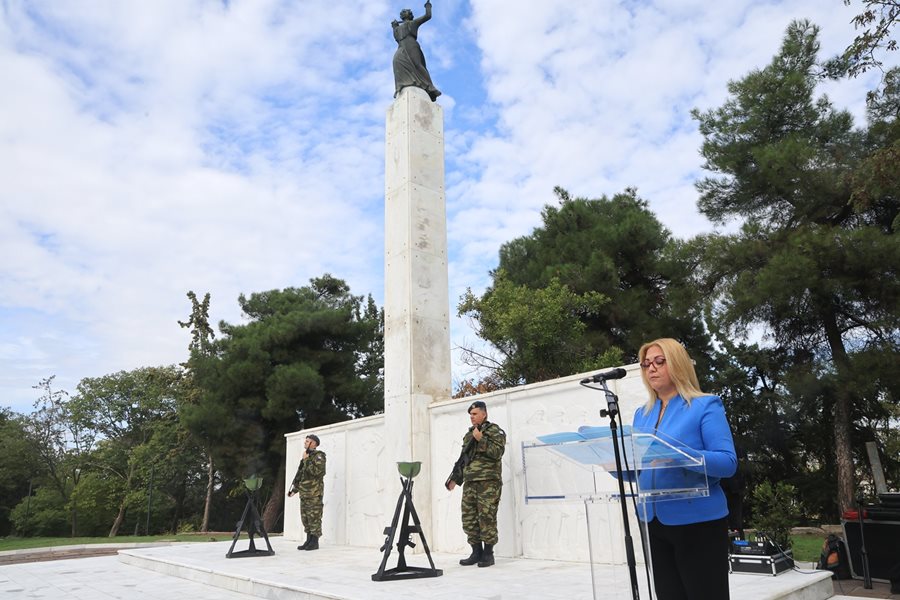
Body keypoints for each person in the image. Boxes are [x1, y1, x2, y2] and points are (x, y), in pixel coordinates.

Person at [633, 338, 737, 600]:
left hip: (698, 522)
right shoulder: (641, 414)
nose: (651, 369)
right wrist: (615, 462)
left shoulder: (705, 405)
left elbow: (727, 462)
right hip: (654, 522)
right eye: (646, 364)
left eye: (659, 361)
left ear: (677, 364)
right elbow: (639, 468)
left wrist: (679, 456)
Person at [446, 400, 506, 567]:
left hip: (488, 483)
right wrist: (455, 480)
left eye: (474, 414)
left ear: (484, 414)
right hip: (470, 482)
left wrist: (481, 440)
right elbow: (463, 460)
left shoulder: (495, 431)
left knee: (486, 517)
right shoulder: (468, 435)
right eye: (470, 415)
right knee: (469, 518)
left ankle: (488, 554)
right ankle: (475, 552)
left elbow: (498, 453)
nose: (472, 417)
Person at [391, 2, 441, 101]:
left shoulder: (413, 23)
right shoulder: (398, 28)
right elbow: (397, 39)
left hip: (411, 44)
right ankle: (400, 85)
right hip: (401, 46)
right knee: (396, 61)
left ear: (410, 15)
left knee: (418, 65)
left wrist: (428, 7)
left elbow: (427, 16)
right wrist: (394, 27)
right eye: (403, 12)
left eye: (406, 12)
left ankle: (431, 87)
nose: (404, 12)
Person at [287, 434, 327, 551]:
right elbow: (300, 475)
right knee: (306, 518)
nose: (305, 443)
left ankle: (314, 542)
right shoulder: (306, 456)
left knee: (314, 517)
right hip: (304, 494)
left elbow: (318, 472)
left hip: (314, 494)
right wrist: (294, 490)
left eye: (307, 441)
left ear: (314, 443)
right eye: (305, 441)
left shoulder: (319, 456)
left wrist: (306, 460)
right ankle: (308, 540)